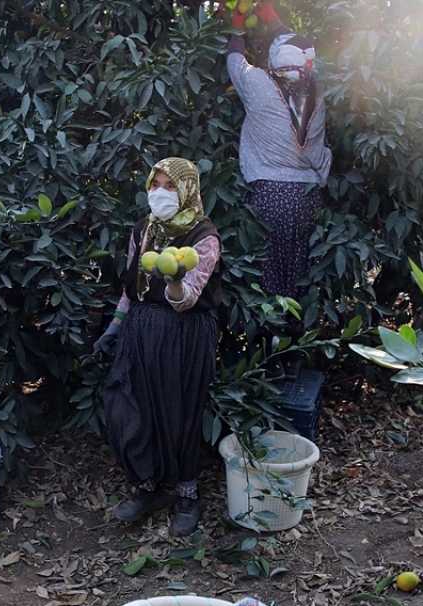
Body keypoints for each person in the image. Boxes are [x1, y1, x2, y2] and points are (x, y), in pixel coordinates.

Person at [92, 157, 223, 536]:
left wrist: (175, 279)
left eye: (169, 185)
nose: (160, 193)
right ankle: (147, 486)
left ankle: (187, 493)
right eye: (155, 184)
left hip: (183, 336)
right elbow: (130, 288)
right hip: (140, 332)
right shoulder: (143, 229)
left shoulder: (203, 237)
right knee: (130, 405)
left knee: (179, 412)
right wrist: (114, 327)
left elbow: (186, 300)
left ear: (186, 190)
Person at [226, 2, 331, 380]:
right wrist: (271, 18)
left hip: (270, 193)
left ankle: (266, 361)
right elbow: (299, 47)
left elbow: (235, 61)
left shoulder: (257, 85)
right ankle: (293, 356)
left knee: (267, 276)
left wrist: (239, 26)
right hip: (306, 197)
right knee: (297, 273)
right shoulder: (316, 92)